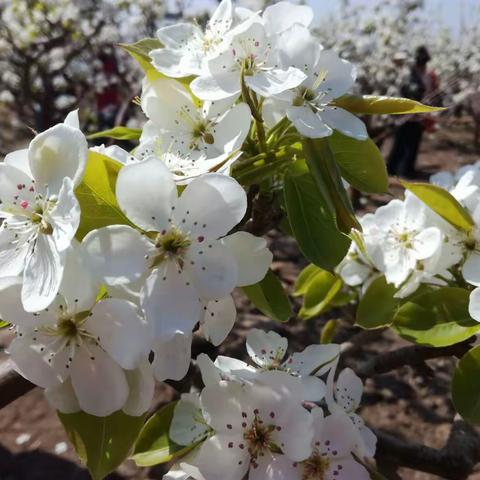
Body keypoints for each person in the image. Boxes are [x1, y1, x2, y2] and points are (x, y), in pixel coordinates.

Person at [387, 46, 439, 177]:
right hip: (408, 115)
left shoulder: (420, 75)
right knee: (407, 143)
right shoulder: (410, 75)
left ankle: (398, 169)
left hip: (413, 115)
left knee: (405, 142)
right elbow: (409, 92)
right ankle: (402, 170)